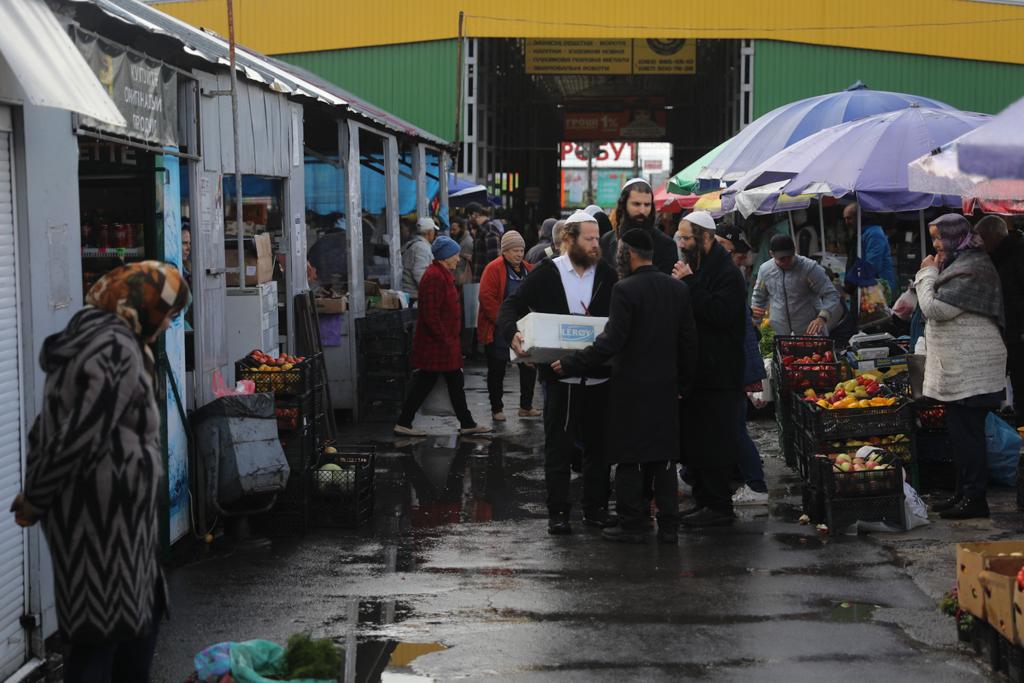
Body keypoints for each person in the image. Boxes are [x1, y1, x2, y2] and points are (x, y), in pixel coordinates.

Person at [10, 261, 190, 683]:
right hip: (102, 524)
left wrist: (37, 492)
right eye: (169, 312)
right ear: (142, 303)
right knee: (102, 638)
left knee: (131, 629)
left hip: (114, 523)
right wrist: (36, 498)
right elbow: (77, 434)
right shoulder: (113, 347)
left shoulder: (103, 336)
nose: (168, 323)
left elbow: (54, 427)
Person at [553, 229, 697, 544]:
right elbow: (689, 342)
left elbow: (612, 341)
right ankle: (669, 526)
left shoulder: (625, 290)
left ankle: (633, 522)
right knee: (663, 457)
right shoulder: (677, 290)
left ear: (628, 254)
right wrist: (683, 383)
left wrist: (572, 363)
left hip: (631, 388)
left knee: (629, 456)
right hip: (665, 386)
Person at [497, 210, 618, 534]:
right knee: (559, 448)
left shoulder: (607, 272)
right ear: (569, 239)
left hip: (600, 377)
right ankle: (559, 513)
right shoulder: (547, 273)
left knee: (598, 449)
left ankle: (596, 509)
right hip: (559, 378)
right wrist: (512, 332)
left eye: (597, 238)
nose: (596, 244)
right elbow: (511, 306)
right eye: (589, 238)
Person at [917, 214, 1007, 519]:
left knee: (968, 436)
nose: (936, 245)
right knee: (958, 434)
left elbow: (934, 308)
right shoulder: (959, 263)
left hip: (974, 369)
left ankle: (975, 500)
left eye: (940, 238)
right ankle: (962, 493)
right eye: (933, 239)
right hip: (959, 368)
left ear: (957, 237)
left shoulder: (973, 267)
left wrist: (926, 274)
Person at [672, 211, 749, 526]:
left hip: (719, 373)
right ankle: (705, 499)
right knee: (699, 441)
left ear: (704, 237)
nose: (682, 243)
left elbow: (719, 314)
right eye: (681, 237)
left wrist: (688, 283)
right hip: (700, 372)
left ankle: (718, 505)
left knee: (715, 441)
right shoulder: (702, 264)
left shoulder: (726, 273)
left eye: (687, 237)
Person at [394, 236, 491, 437]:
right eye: (455, 255)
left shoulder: (441, 274)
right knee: (431, 382)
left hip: (443, 342)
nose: (458, 259)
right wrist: (445, 338)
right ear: (445, 257)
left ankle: (466, 422)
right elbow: (430, 314)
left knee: (448, 382)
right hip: (438, 344)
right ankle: (405, 422)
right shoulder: (434, 277)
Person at [709, 219, 769, 505]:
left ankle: (756, 485)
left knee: (734, 427)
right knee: (729, 425)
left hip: (736, 366)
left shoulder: (727, 276)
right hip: (737, 364)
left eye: (727, 248)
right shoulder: (726, 274)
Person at [478, 230, 539, 421]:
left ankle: (526, 406)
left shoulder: (529, 269)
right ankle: (497, 408)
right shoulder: (493, 268)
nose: (519, 254)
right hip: (498, 328)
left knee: (528, 364)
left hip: (524, 326)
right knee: (497, 369)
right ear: (504, 251)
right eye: (515, 250)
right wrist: (504, 322)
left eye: (521, 250)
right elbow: (486, 298)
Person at [977, 215, 1024, 421]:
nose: (978, 244)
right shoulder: (1000, 256)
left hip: (1018, 330)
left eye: (981, 238)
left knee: (1021, 377)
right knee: (1018, 377)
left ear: (993, 237)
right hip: (1012, 330)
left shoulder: (1015, 256)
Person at [751, 234, 842, 336]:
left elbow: (831, 294)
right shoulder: (765, 270)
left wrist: (822, 317)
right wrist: (754, 323)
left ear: (794, 251)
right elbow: (759, 298)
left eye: (789, 257)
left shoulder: (809, 268)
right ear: (771, 254)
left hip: (810, 332)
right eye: (782, 259)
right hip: (780, 333)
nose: (786, 261)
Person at [599, 178, 677, 274]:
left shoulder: (666, 245)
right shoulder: (606, 241)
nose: (642, 211)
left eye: (647, 205)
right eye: (636, 204)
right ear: (623, 205)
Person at [843, 203, 898, 300]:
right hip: (866, 286)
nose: (846, 222)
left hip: (879, 289)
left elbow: (872, 265)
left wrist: (849, 284)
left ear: (859, 217)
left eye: (849, 218)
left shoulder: (874, 233)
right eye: (845, 219)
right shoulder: (861, 233)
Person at [401, 217, 438, 299]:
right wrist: (432, 293)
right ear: (430, 232)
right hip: (415, 296)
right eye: (434, 231)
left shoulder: (416, 244)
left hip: (412, 294)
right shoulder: (422, 248)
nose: (434, 233)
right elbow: (420, 274)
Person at [467, 202, 503, 280]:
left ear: (474, 215)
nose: (468, 220)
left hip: (487, 279)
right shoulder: (481, 230)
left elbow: (495, 259)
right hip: (480, 279)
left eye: (468, 217)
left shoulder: (489, 229)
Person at [450, 217, 475, 285]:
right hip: (460, 279)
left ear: (461, 229)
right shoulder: (460, 240)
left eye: (454, 230)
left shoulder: (467, 242)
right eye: (451, 229)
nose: (452, 232)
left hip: (463, 281)